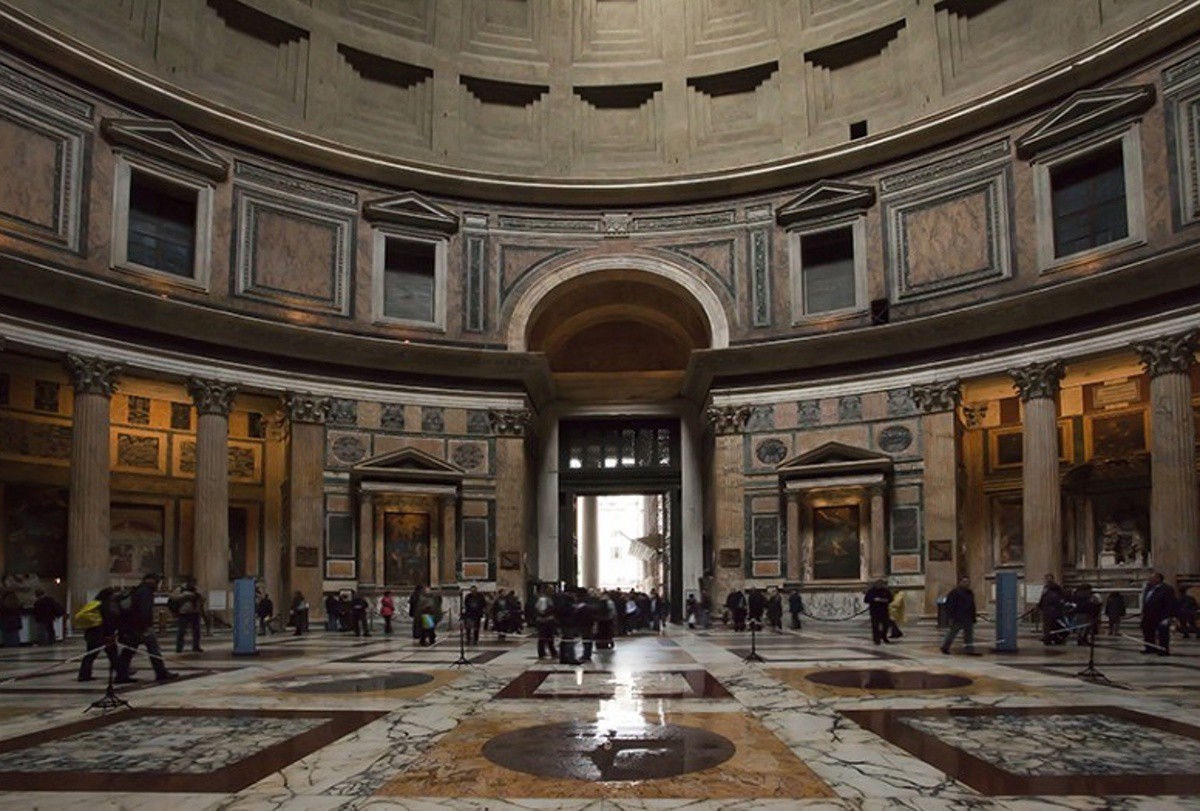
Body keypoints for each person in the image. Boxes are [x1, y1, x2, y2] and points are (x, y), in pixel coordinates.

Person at [115, 573, 178, 683]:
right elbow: (144, 611)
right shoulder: (145, 592)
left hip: (132, 626)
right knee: (154, 650)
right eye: (158, 581)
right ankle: (161, 673)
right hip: (142, 627)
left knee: (128, 651)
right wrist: (144, 626)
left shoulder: (137, 590)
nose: (159, 584)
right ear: (151, 580)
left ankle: (121, 674)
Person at [75, 587, 119, 681]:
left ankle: (84, 674)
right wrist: (110, 633)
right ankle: (121, 672)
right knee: (112, 653)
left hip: (92, 632)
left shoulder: (94, 603)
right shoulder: (104, 605)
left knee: (91, 655)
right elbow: (108, 620)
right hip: (101, 633)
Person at [940, 576, 980, 655]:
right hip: (958, 617)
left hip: (968, 617)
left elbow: (972, 605)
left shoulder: (969, 592)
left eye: (968, 582)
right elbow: (949, 605)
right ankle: (945, 647)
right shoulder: (954, 592)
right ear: (960, 582)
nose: (966, 583)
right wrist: (950, 617)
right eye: (964, 581)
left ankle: (969, 649)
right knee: (952, 633)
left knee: (969, 635)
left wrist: (973, 616)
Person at [1141, 571, 1176, 656]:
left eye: (1152, 578)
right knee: (1148, 632)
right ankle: (1150, 648)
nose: (1149, 580)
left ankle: (1163, 649)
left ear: (1158, 579)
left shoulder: (1167, 589)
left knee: (1162, 634)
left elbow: (1170, 604)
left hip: (1161, 615)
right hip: (1148, 615)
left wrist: (1168, 617)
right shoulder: (1149, 588)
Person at [168, 577, 204, 653]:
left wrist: (199, 597)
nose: (193, 584)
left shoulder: (197, 589)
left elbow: (202, 598)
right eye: (192, 583)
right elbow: (173, 598)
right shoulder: (180, 589)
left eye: (194, 583)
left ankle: (196, 647)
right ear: (188, 582)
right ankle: (179, 648)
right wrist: (186, 596)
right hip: (184, 613)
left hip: (195, 612)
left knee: (196, 632)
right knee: (181, 631)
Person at [1038, 574, 1066, 645]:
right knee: (1048, 626)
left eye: (1048, 579)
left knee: (1053, 626)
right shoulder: (1046, 588)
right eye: (1046, 579)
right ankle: (1048, 638)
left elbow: (1061, 599)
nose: (1047, 580)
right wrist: (1040, 606)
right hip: (1047, 610)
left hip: (1053, 611)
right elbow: (1042, 598)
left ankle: (1054, 638)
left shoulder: (1057, 588)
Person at [863, 579, 893, 645]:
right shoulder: (871, 591)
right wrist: (874, 600)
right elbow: (866, 600)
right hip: (874, 611)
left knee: (885, 625)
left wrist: (884, 600)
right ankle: (876, 639)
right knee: (875, 626)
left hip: (884, 610)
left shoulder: (885, 591)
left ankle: (883, 636)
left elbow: (890, 599)